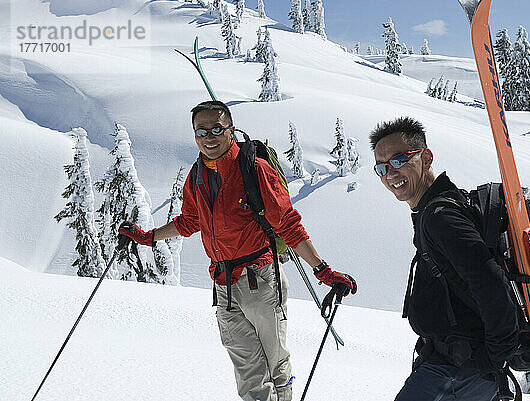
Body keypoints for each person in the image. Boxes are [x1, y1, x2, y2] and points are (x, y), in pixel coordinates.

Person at [118, 100, 357, 401]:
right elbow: (191, 220)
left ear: (231, 130)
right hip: (223, 284)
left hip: (261, 279)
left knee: (275, 364)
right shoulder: (196, 177)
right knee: (248, 371)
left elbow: (287, 224)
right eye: (201, 131)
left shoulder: (255, 170)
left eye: (217, 129)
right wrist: (150, 236)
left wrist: (322, 270)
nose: (209, 137)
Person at [369, 117, 519, 401]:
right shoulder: (436, 208)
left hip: (457, 369)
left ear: (426, 157)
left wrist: (495, 359)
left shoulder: (441, 216)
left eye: (399, 160)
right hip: (457, 363)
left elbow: (488, 279)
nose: (390, 173)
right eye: (381, 167)